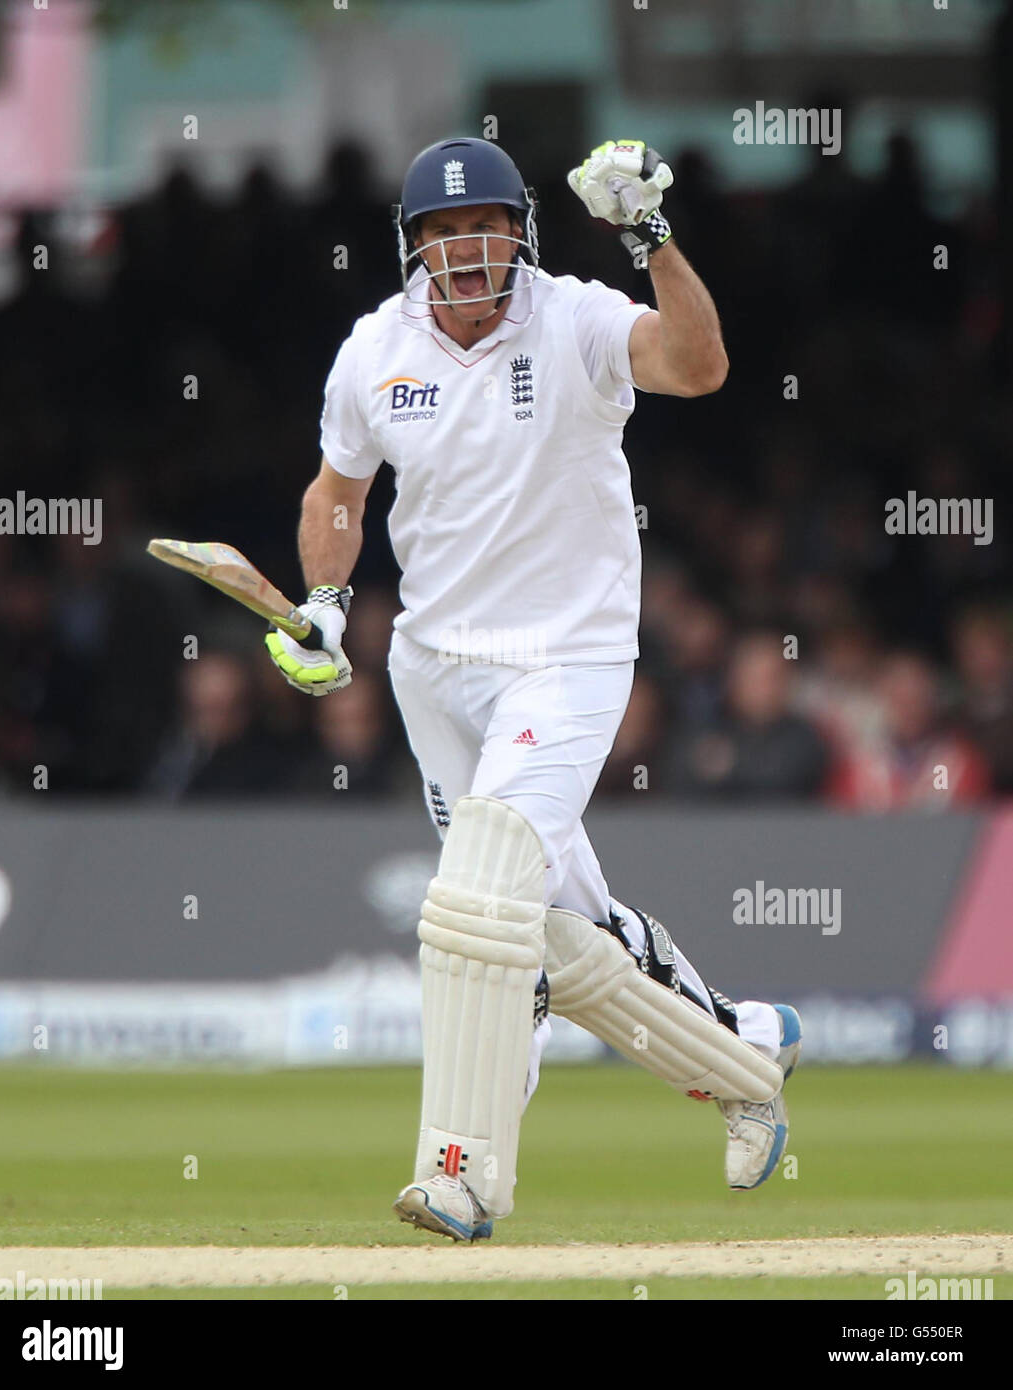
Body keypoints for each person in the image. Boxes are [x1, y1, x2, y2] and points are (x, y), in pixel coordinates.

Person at [265, 137, 802, 1241]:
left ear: (524, 233)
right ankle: (746, 1054)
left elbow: (699, 365)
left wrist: (651, 240)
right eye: (443, 234)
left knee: (481, 896)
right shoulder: (374, 351)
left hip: (565, 658)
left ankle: (461, 1174)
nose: (467, 250)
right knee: (553, 937)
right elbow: (336, 494)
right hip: (432, 670)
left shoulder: (575, 319)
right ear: (413, 247)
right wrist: (324, 605)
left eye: (487, 227)